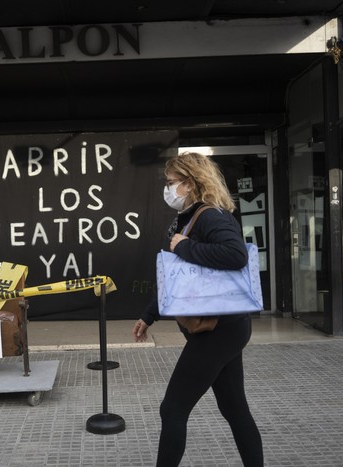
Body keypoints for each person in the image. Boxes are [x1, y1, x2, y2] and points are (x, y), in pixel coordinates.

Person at [132, 152, 264, 467]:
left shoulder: (210, 217)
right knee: (234, 408)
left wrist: (185, 246)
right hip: (222, 327)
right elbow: (176, 278)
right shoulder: (189, 219)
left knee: (173, 408)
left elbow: (235, 255)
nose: (168, 189)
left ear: (190, 184)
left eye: (172, 183)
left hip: (218, 329)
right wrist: (149, 315)